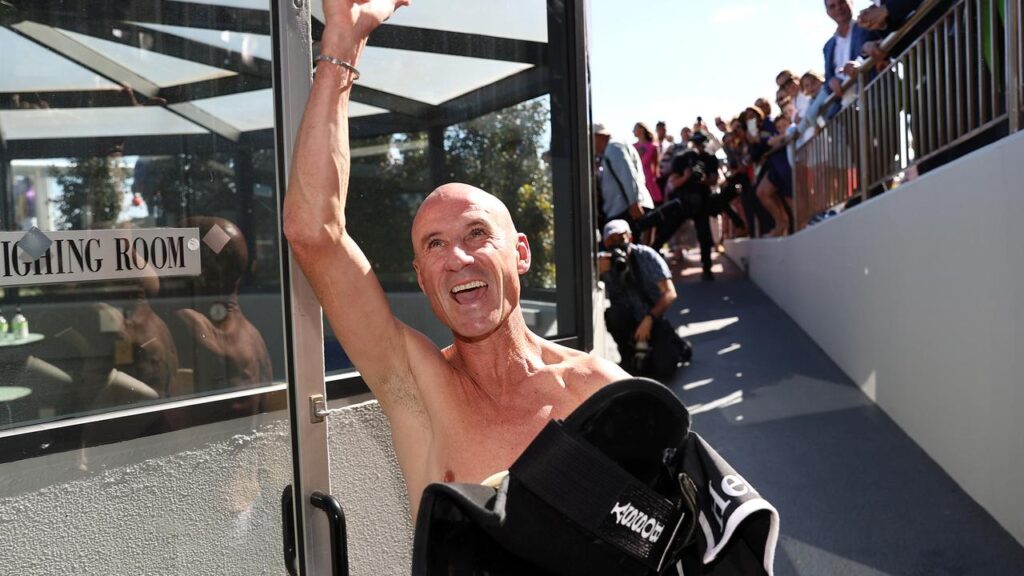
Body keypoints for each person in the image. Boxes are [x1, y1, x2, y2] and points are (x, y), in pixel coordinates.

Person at [282, 0, 628, 517]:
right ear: (423, 280)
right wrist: (341, 41)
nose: (458, 258)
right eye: (434, 245)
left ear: (522, 253)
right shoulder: (420, 390)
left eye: (476, 233)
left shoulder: (600, 392)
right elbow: (314, 233)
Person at [599, 220, 681, 378]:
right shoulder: (602, 262)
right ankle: (628, 356)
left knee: (664, 370)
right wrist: (595, 270)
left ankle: (674, 346)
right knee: (612, 316)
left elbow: (670, 293)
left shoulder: (646, 256)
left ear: (629, 237)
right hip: (625, 321)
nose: (617, 245)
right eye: (612, 241)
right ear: (605, 243)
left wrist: (649, 319)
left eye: (621, 238)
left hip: (651, 316)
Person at [640, 131, 720, 280]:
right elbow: (673, 182)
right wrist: (686, 177)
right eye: (696, 143)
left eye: (701, 143)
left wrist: (703, 179)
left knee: (704, 235)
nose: (698, 147)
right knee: (665, 232)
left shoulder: (710, 158)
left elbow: (714, 179)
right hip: (682, 202)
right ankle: (648, 265)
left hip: (701, 202)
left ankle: (707, 269)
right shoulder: (682, 158)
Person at [593, 122, 653, 236]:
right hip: (624, 209)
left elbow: (627, 173)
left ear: (600, 136)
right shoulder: (608, 152)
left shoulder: (613, 146)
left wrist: (634, 203)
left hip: (627, 210)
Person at [633, 122, 663, 205]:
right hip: (636, 182)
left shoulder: (653, 147)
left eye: (635, 128)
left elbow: (656, 168)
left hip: (649, 183)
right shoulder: (632, 147)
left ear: (642, 130)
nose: (633, 131)